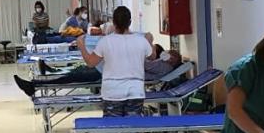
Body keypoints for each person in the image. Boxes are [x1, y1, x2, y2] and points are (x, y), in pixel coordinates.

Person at [76, 5, 152, 133]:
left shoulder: (106, 42)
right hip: (135, 92)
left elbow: (91, 63)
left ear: (113, 23)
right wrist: (150, 39)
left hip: (112, 93)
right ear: (130, 22)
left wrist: (81, 45)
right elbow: (151, 56)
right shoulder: (141, 41)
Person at [12, 48, 183, 98]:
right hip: (110, 71)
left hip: (112, 76)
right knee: (76, 71)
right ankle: (37, 82)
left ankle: (34, 85)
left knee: (73, 77)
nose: (167, 53)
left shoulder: (165, 68)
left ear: (173, 60)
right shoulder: (162, 63)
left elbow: (142, 64)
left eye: (170, 54)